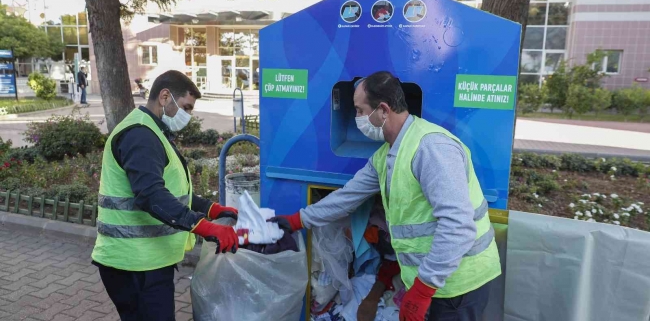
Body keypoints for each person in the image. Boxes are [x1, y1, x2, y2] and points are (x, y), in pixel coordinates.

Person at [271, 71, 501, 321]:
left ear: (382, 109)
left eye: (360, 111)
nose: (357, 118)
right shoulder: (388, 154)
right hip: (434, 281)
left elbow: (458, 226)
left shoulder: (431, 149)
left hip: (459, 283)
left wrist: (423, 289)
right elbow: (348, 196)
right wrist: (297, 220)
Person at [91, 70, 239, 321]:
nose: (188, 116)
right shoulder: (140, 134)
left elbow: (171, 193)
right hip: (134, 265)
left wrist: (211, 208)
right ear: (164, 96)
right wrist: (203, 226)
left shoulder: (152, 130)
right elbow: (151, 196)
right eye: (186, 107)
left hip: (144, 261)